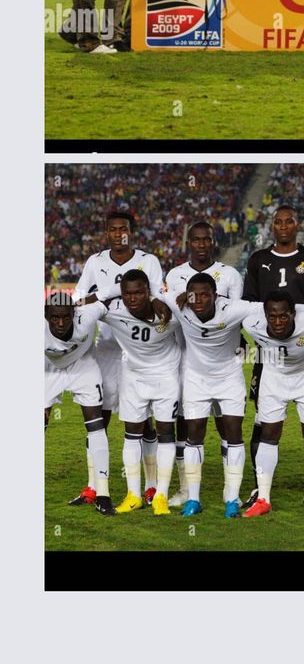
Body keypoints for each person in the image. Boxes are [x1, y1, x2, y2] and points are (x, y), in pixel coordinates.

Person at [71, 210, 164, 506]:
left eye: (123, 228)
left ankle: (149, 486)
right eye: (113, 229)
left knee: (143, 421)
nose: (118, 233)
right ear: (107, 233)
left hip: (139, 352)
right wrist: (95, 300)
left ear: (131, 232)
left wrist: (105, 296)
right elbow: (77, 297)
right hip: (107, 352)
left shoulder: (148, 261)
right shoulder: (95, 262)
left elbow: (156, 297)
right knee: (100, 417)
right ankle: (94, 485)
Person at [241, 205, 304, 508]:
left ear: (297, 224)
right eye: (278, 222)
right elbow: (249, 305)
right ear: (272, 226)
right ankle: (259, 487)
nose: (284, 226)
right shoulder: (258, 260)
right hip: (268, 354)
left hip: (303, 350)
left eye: (289, 221)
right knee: (263, 421)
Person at [164, 222, 243, 505]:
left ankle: (229, 488)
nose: (200, 244)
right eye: (195, 239)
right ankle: (186, 489)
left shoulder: (230, 275)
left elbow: (237, 315)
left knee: (227, 424)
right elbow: (168, 311)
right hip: (187, 359)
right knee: (186, 425)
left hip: (223, 361)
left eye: (205, 239)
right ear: (189, 243)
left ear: (213, 241)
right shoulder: (175, 275)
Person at [240, 295, 304, 519]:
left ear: (293, 314)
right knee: (268, 435)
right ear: (265, 316)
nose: (278, 321)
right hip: (274, 379)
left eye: (284, 316)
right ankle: (263, 499)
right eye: (273, 316)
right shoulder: (252, 325)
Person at [102, 271, 182, 514]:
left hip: (166, 376)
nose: (132, 298)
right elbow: (83, 303)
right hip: (134, 378)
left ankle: (161, 495)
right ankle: (134, 494)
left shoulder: (171, 311)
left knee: (166, 432)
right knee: (131, 433)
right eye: (127, 293)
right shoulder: (113, 309)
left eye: (138, 292)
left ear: (148, 291)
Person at [44, 293, 115, 514]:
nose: (61, 323)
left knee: (96, 425)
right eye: (55, 318)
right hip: (48, 370)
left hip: (83, 366)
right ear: (45, 315)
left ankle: (102, 494)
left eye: (66, 316)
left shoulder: (88, 315)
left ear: (74, 313)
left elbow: (106, 300)